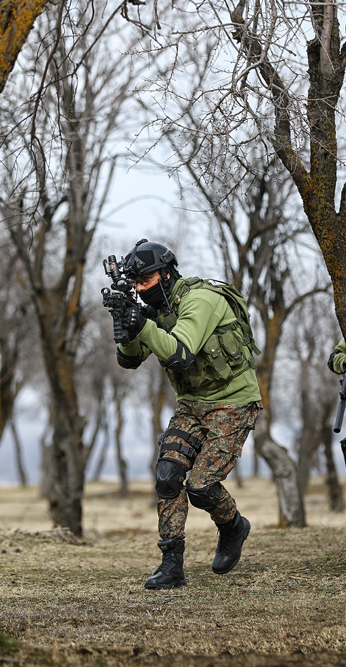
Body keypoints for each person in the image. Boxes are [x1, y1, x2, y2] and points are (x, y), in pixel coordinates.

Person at [110, 239, 262, 589]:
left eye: (145, 282)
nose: (140, 289)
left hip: (233, 401)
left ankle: (233, 526)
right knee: (167, 475)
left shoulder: (200, 300)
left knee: (201, 485)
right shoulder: (158, 308)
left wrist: (144, 325)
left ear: (165, 274)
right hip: (192, 403)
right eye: (135, 284)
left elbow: (180, 354)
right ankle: (171, 564)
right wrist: (129, 325)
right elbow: (129, 360)